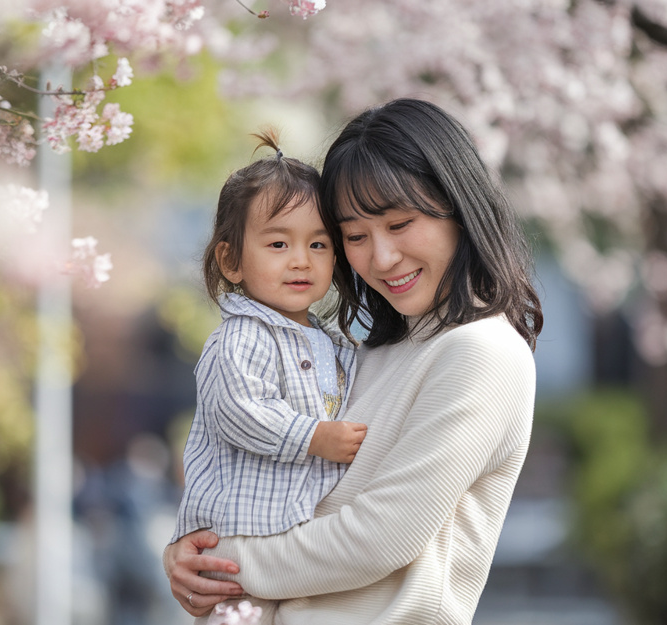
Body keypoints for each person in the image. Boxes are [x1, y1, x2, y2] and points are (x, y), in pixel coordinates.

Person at [163, 98, 543, 625]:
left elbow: (380, 534)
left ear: (460, 208)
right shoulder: (367, 354)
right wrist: (188, 549)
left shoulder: (484, 353)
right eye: (355, 236)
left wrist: (223, 562)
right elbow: (284, 485)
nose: (381, 258)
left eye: (401, 223)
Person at [171, 129, 370, 621]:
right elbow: (240, 411)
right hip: (236, 548)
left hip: (293, 546)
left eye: (319, 245)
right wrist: (313, 437)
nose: (301, 260)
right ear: (231, 260)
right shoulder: (242, 338)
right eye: (279, 243)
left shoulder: (334, 342)